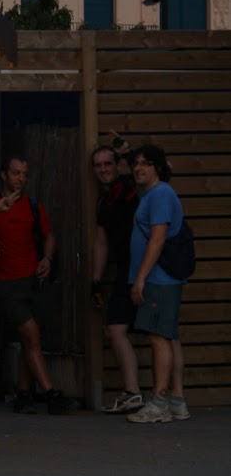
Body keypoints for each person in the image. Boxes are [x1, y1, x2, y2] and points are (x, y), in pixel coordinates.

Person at [0, 154, 72, 414]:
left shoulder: (32, 205)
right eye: (16, 173)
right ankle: (51, 394)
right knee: (31, 336)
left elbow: (49, 236)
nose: (21, 178)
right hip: (7, 284)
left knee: (27, 339)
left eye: (24, 174)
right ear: (4, 175)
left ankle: (23, 395)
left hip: (32, 280)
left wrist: (47, 258)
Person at [126, 144, 189, 424]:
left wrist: (140, 277)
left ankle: (159, 403)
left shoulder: (161, 194)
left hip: (158, 279)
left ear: (158, 168)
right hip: (161, 279)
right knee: (168, 336)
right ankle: (176, 402)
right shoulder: (152, 193)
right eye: (135, 163)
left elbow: (158, 237)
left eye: (145, 163)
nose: (138, 168)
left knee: (158, 338)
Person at [90, 144, 141, 413]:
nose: (103, 170)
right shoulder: (103, 202)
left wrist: (129, 153)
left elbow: (163, 170)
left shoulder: (133, 188)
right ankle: (132, 393)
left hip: (149, 269)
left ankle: (170, 398)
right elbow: (101, 243)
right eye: (98, 166)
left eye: (108, 164)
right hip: (125, 270)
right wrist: (95, 282)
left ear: (118, 165)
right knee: (115, 329)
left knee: (162, 335)